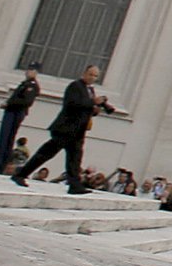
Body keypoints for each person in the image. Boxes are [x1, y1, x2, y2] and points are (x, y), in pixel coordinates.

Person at [9, 65, 106, 194]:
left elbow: (84, 108)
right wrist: (92, 102)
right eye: (91, 74)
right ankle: (21, 174)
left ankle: (74, 185)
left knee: (75, 159)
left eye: (95, 76)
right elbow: (72, 104)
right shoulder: (75, 86)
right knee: (46, 153)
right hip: (65, 128)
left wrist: (94, 110)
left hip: (78, 131)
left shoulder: (90, 90)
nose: (92, 78)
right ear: (84, 73)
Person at [0, 72, 42, 173]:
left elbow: (27, 102)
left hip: (16, 112)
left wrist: (9, 103)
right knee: (4, 138)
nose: (29, 72)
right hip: (12, 111)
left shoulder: (32, 85)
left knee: (6, 138)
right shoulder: (25, 84)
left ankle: (0, 164)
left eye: (32, 70)